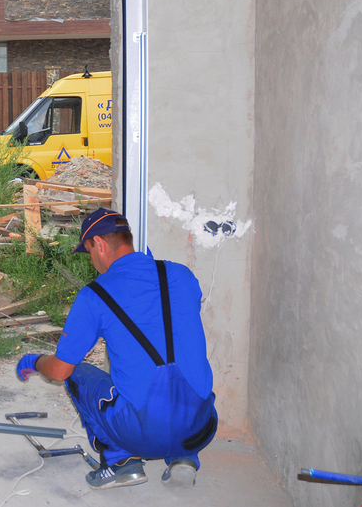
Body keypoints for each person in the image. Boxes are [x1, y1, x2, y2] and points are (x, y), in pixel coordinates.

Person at [16, 208, 217, 490]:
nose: (93, 263)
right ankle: (183, 457)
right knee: (182, 380)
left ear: (98, 244)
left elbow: (60, 371)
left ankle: (121, 463)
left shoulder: (95, 296)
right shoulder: (182, 275)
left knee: (79, 374)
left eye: (89, 253)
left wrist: (34, 360)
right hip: (200, 426)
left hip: (141, 434)